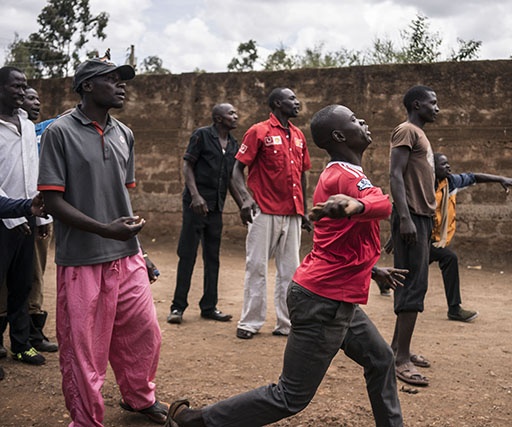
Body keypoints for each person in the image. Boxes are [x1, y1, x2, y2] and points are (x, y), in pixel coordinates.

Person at [164, 104, 406, 427]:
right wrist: (360, 204)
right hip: (324, 303)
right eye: (353, 120)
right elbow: (383, 204)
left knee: (381, 359)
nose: (362, 121)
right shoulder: (345, 177)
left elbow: (334, 245)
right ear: (339, 136)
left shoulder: (341, 175)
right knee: (289, 396)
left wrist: (372, 269)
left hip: (336, 299)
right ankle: (192, 422)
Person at [37, 53, 167, 426]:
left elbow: (122, 199)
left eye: (123, 80)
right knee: (85, 352)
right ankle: (86, 419)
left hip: (126, 256)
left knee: (144, 333)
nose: (122, 85)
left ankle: (140, 398)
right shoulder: (59, 132)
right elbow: (52, 201)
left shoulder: (124, 133)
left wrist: (140, 253)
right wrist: (104, 229)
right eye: (112, 79)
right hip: (81, 260)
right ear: (87, 86)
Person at [229, 87, 312, 339]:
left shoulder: (298, 135)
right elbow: (236, 171)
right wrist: (245, 200)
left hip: (293, 213)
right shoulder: (258, 131)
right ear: (277, 103)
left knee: (291, 270)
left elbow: (303, 174)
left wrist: (305, 210)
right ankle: (250, 322)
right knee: (257, 267)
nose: (298, 102)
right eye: (292, 99)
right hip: (264, 210)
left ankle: (287, 323)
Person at [167, 103, 240, 324]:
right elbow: (188, 166)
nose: (236, 116)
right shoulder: (201, 135)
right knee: (187, 255)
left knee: (213, 257)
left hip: (216, 207)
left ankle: (209, 306)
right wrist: (196, 196)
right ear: (218, 118)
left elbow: (230, 179)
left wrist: (242, 204)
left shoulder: (234, 144)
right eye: (231, 113)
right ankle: (178, 307)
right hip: (195, 206)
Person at [430, 153, 512, 322]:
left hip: (437, 241)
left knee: (444, 260)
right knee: (415, 271)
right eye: (443, 165)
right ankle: (453, 309)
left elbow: (474, 177)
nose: (448, 167)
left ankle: (454, 309)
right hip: (421, 239)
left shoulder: (450, 183)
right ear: (432, 167)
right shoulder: (422, 186)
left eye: (448, 164)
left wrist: (500, 179)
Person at [388, 85, 439, 387]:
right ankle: (400, 360)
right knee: (412, 288)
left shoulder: (418, 134)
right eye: (433, 103)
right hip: (413, 217)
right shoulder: (406, 130)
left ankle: (398, 348)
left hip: (420, 217)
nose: (437, 108)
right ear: (417, 104)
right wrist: (404, 218)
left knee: (415, 285)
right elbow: (395, 175)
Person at [0, 66, 48, 367]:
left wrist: (38, 218)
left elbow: (33, 175)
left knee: (22, 285)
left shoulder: (28, 126)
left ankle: (21, 345)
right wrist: (15, 216)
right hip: (4, 219)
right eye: (15, 87)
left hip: (27, 219)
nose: (22, 92)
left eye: (25, 86)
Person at [19, 86, 58, 352]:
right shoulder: (11, 133)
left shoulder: (42, 132)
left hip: (39, 215)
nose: (37, 103)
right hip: (11, 213)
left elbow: (69, 115)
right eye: (31, 98)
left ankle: (33, 331)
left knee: (35, 273)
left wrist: (44, 220)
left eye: (38, 98)